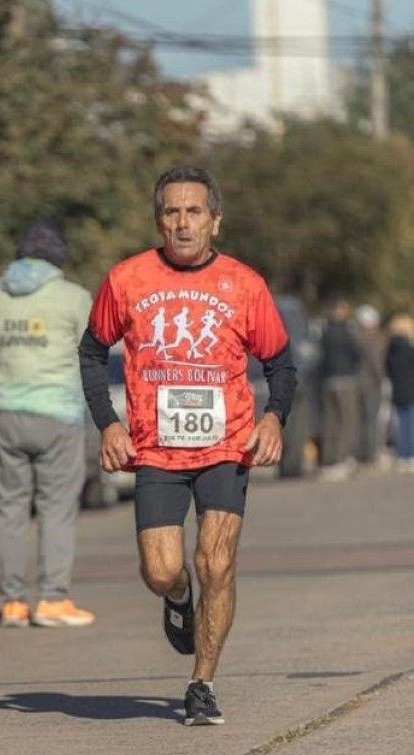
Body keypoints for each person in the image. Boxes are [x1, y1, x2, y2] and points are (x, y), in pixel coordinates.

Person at [78, 166, 296, 726]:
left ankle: (202, 682)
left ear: (215, 222)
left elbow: (280, 364)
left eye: (194, 211)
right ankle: (178, 600)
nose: (182, 222)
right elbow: (91, 352)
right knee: (163, 570)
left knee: (216, 563)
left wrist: (273, 419)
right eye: (172, 212)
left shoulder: (245, 285)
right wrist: (109, 422)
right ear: (159, 221)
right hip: (155, 450)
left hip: (226, 445)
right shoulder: (126, 279)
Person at [0, 220, 95, 628]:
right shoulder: (74, 298)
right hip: (59, 414)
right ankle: (53, 599)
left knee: (8, 510)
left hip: (7, 413)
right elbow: (92, 353)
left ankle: (12, 603)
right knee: (56, 509)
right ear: (59, 256)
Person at [317, 296, 362, 481]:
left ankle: (328, 461)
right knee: (347, 421)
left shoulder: (324, 331)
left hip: (328, 380)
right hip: (346, 379)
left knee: (330, 422)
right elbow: (357, 353)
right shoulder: (347, 331)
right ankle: (341, 459)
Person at [353, 304, 387, 468]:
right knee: (372, 418)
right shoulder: (375, 338)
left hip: (357, 382)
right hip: (371, 383)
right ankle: (371, 453)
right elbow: (376, 362)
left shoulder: (355, 336)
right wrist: (382, 379)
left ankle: (360, 452)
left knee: (359, 419)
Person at [385, 313, 414, 472]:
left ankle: (403, 454)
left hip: (397, 390)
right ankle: (410, 454)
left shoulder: (391, 350)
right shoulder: (409, 350)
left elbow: (388, 370)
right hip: (410, 390)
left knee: (401, 425)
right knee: (410, 425)